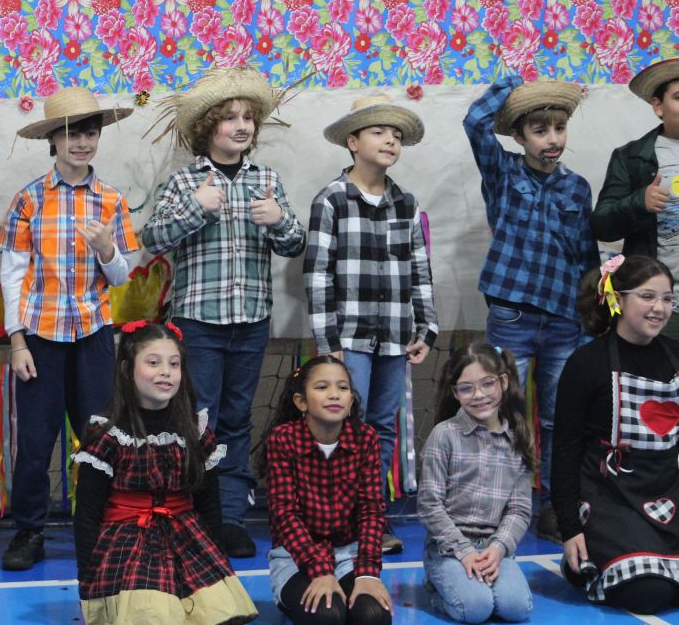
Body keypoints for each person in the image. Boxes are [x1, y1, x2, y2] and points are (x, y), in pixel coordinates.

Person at [142, 65, 306, 557]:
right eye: (230, 118)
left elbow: (295, 243)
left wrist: (278, 221)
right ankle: (193, 513)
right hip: (198, 321)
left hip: (251, 321)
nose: (241, 126)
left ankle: (229, 515)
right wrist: (196, 207)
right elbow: (151, 239)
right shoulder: (184, 181)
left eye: (248, 118)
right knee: (196, 419)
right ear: (206, 127)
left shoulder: (266, 180)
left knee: (237, 419)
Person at [0, 87, 140, 571]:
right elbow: (12, 274)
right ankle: (29, 531)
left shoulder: (111, 200)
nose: (82, 142)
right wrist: (17, 340)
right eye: (71, 134)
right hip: (40, 335)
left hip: (93, 333)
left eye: (90, 133)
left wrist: (106, 249)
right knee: (35, 441)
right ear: (53, 142)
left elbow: (121, 276)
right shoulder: (30, 199)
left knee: (99, 437)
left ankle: (101, 526)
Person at [463, 77, 599, 543]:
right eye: (540, 130)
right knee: (502, 411)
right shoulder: (503, 173)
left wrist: (589, 324)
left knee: (561, 418)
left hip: (564, 319)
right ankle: (501, 507)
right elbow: (475, 122)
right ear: (519, 137)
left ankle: (556, 507)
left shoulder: (577, 188)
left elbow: (586, 258)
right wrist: (513, 84)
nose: (552, 139)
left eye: (559, 128)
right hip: (513, 316)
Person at [307, 95, 437, 554]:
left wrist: (427, 328)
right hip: (350, 339)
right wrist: (328, 341)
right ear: (353, 141)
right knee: (346, 425)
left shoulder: (406, 203)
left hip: (395, 337)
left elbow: (419, 269)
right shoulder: (331, 200)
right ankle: (333, 519)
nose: (390, 141)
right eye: (378, 132)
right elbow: (317, 273)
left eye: (396, 135)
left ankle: (370, 518)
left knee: (382, 427)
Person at [72, 320, 257, 623]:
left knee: (221, 614)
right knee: (154, 617)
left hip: (186, 537)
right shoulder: (107, 433)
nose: (165, 372)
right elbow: (87, 515)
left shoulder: (195, 430)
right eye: (153, 362)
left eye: (174, 363)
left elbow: (209, 504)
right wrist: (88, 579)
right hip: (128, 543)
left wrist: (219, 564)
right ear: (126, 369)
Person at [552, 254, 679, 615]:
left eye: (668, 298)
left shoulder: (676, 355)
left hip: (667, 494)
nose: (659, 308)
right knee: (650, 594)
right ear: (617, 299)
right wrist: (570, 528)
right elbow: (565, 450)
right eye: (647, 296)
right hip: (611, 500)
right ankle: (587, 562)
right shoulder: (586, 363)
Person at [260, 355, 393, 624]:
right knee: (327, 616)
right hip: (297, 556)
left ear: (351, 400)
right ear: (301, 401)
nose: (334, 394)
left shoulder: (366, 438)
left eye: (342, 387)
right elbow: (284, 515)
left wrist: (368, 573)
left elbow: (371, 511)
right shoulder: (283, 439)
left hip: (348, 553)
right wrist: (320, 570)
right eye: (322, 387)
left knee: (373, 616)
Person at [418, 343, 535, 623]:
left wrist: (498, 548)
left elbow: (519, 509)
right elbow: (429, 505)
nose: (479, 395)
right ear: (455, 392)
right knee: (475, 609)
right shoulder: (444, 435)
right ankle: (437, 587)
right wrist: (465, 551)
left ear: (503, 381)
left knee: (517, 608)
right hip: (449, 550)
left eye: (487, 384)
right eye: (466, 388)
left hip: (494, 549)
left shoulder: (518, 438)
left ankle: (474, 578)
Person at [592, 58, 679, 339]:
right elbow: (602, 225)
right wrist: (639, 202)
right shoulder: (632, 157)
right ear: (658, 106)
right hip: (659, 305)